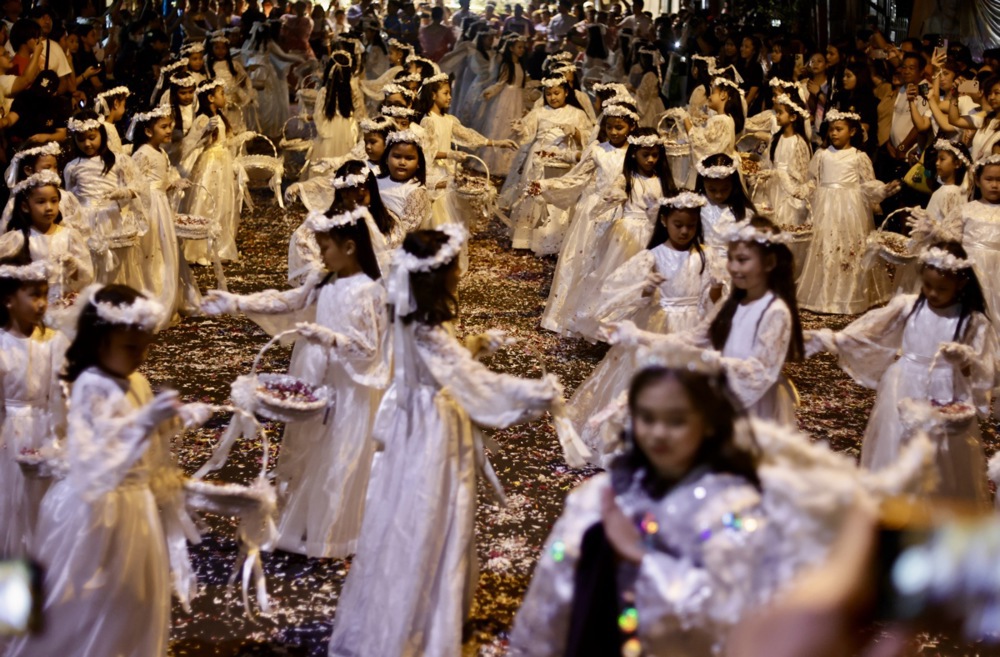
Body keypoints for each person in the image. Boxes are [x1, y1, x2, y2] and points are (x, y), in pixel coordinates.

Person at [326, 224, 581, 657]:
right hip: (433, 431)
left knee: (402, 513)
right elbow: (467, 380)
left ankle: (403, 613)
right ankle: (420, 624)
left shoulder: (410, 318)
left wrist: (475, 345)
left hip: (411, 422)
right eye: (456, 266)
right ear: (438, 275)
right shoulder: (427, 329)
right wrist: (535, 392)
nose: (461, 273)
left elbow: (444, 366)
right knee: (430, 515)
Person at [509, 363, 773, 655]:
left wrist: (638, 555)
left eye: (676, 421)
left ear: (708, 424)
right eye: (646, 418)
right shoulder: (600, 494)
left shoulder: (733, 507)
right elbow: (552, 596)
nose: (658, 433)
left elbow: (727, 611)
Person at [4, 286, 201, 657]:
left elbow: (146, 451)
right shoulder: (90, 385)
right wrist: (147, 420)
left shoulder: (138, 382)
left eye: (145, 347)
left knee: (132, 596)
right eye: (130, 347)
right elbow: (100, 452)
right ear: (99, 341)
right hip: (94, 512)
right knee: (84, 597)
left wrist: (173, 422)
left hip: (134, 508)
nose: (139, 356)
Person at [202, 205, 390, 559]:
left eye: (325, 248)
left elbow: (368, 348)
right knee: (311, 449)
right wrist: (237, 302)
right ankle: (307, 521)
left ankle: (334, 532)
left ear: (350, 247)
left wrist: (329, 338)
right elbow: (288, 302)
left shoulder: (369, 291)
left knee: (340, 456)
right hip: (319, 379)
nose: (320, 256)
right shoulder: (324, 279)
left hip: (350, 387)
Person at [806, 241, 995, 507]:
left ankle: (936, 508)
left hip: (945, 390)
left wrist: (965, 358)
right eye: (927, 285)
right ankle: (894, 504)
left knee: (941, 453)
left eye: (941, 288)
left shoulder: (971, 320)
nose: (932, 293)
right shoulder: (909, 306)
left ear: (961, 283)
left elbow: (985, 369)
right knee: (896, 442)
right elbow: (872, 332)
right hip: (904, 383)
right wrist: (834, 339)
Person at [568, 191, 724, 462]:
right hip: (658, 327)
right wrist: (645, 290)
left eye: (691, 226)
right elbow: (622, 296)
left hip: (694, 329)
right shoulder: (652, 256)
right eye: (679, 225)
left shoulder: (707, 256)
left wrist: (716, 290)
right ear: (664, 221)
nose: (685, 231)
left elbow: (713, 303)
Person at [608, 216, 803, 425]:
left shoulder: (775, 311)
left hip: (753, 406)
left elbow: (760, 372)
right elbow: (693, 338)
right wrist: (638, 335)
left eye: (743, 260)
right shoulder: (731, 304)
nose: (733, 268)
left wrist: (705, 367)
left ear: (769, 263)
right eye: (731, 259)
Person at [535, 102, 635, 333]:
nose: (614, 132)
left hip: (622, 211)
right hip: (593, 212)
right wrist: (546, 185)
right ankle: (572, 315)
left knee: (610, 263)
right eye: (609, 127)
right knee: (583, 260)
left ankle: (604, 321)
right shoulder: (598, 150)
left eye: (619, 127)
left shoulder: (635, 151)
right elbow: (576, 178)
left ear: (630, 126)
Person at [796, 110, 900, 315]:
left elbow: (868, 185)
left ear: (852, 131)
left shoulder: (858, 157)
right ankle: (825, 295)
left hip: (850, 209)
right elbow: (814, 181)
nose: (834, 134)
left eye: (839, 129)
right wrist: (800, 190)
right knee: (826, 246)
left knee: (847, 246)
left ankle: (849, 295)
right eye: (831, 130)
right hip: (826, 207)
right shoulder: (822, 155)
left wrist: (883, 190)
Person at [0, 256, 68, 557]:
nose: (42, 303)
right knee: (13, 500)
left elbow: (60, 390)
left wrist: (61, 433)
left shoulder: (54, 340)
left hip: (45, 424)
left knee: (42, 495)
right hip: (10, 428)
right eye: (34, 295)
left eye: (45, 294)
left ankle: (44, 557)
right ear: (9, 301)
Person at [130, 105, 197, 325]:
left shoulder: (160, 152)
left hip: (161, 204)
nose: (169, 130)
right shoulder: (142, 153)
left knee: (165, 250)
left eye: (170, 126)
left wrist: (173, 184)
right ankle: (154, 297)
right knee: (153, 251)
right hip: (150, 207)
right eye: (164, 126)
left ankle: (167, 296)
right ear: (149, 131)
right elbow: (137, 183)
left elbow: (161, 180)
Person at [63, 112, 145, 289]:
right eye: (81, 139)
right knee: (90, 260)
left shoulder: (118, 160)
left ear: (102, 134)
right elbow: (70, 198)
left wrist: (122, 193)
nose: (87, 144)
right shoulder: (72, 166)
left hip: (110, 217)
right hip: (85, 220)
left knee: (115, 261)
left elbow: (138, 187)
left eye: (92, 137)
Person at [0, 171, 92, 307]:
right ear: (25, 207)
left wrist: (73, 266)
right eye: (41, 202)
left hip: (63, 306)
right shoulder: (17, 239)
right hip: (31, 306)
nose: (49, 208)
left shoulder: (70, 236)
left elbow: (86, 278)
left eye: (54, 201)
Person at [180, 78, 242, 265]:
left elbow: (226, 140)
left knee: (223, 203)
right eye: (221, 94)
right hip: (210, 164)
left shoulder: (221, 117)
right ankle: (199, 248)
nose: (225, 97)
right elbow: (191, 143)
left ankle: (218, 246)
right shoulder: (203, 119)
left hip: (222, 162)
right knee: (207, 202)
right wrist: (205, 132)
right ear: (210, 98)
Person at [756, 92, 812, 228]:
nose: (777, 116)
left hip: (788, 193)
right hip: (773, 188)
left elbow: (801, 175)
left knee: (786, 223)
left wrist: (778, 174)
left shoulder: (799, 143)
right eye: (776, 112)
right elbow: (770, 162)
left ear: (793, 117)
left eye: (780, 113)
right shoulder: (776, 139)